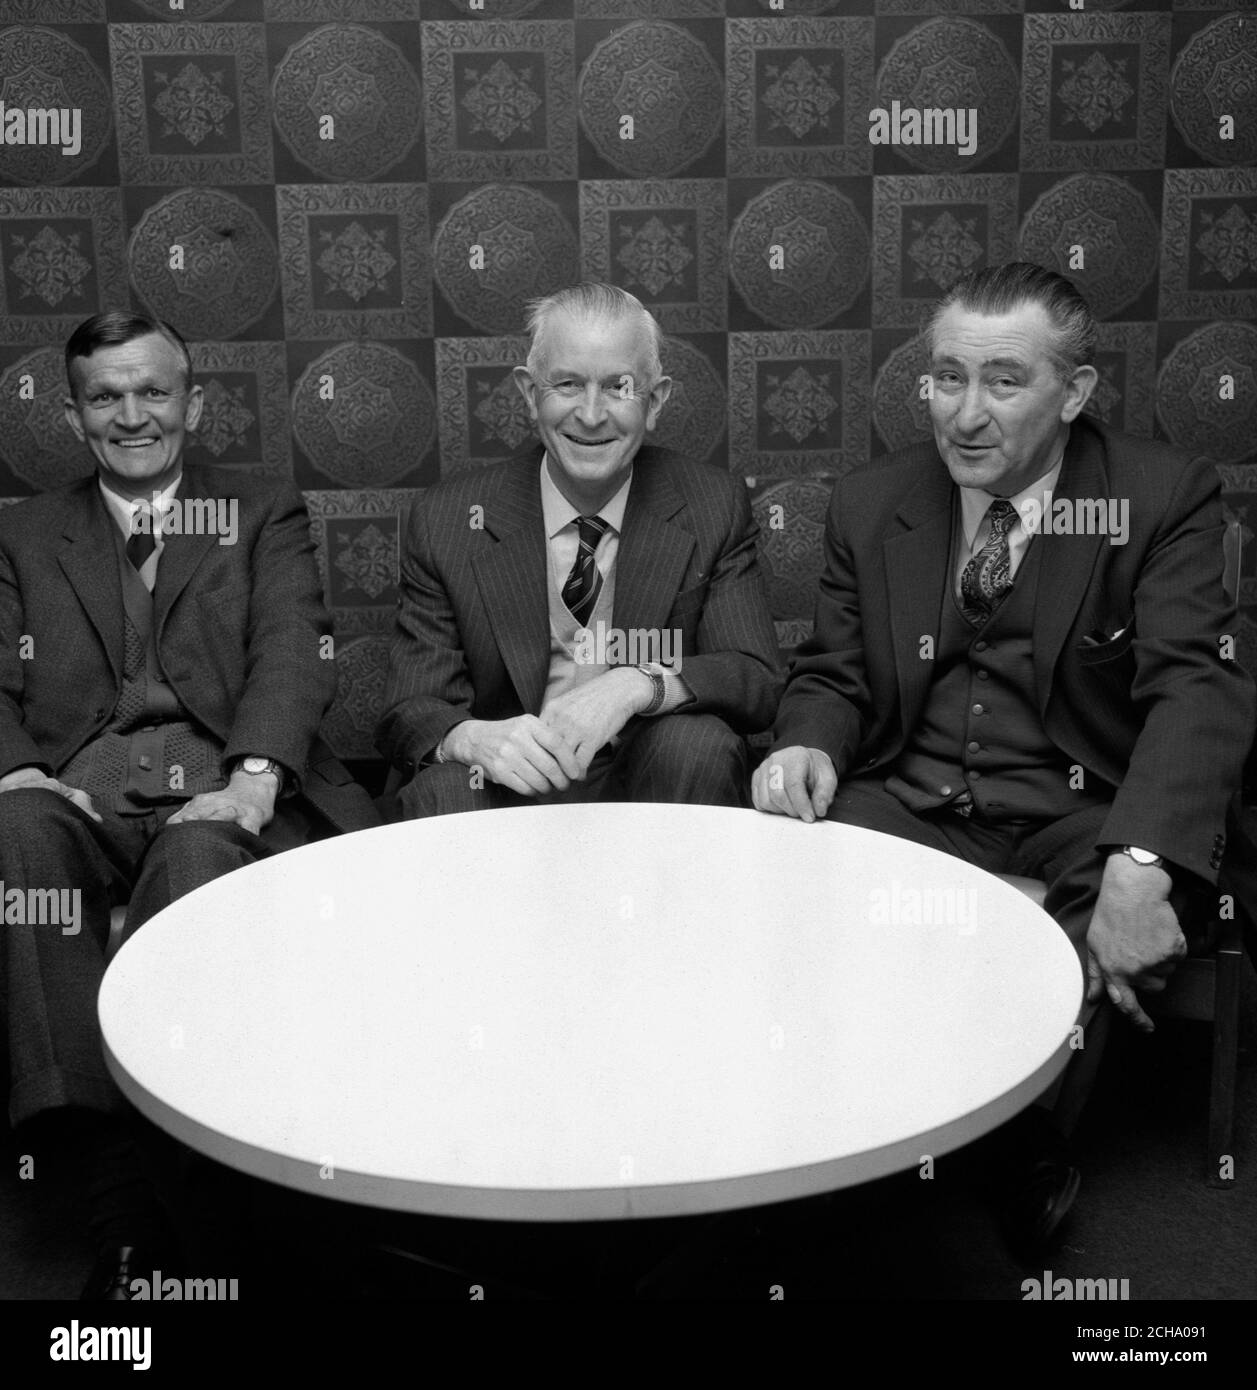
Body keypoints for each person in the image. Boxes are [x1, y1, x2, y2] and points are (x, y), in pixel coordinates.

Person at [752, 262, 1255, 1253]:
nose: (964, 414)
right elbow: (833, 674)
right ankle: (848, 1134)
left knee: (1117, 895)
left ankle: (1010, 1141)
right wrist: (805, 739)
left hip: (1085, 805)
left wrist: (1145, 861)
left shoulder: (1158, 497)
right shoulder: (873, 501)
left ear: (1074, 392)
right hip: (915, 796)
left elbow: (1199, 688)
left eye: (1004, 382)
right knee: (790, 871)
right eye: (946, 378)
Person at [0, 310, 377, 1298]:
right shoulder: (24, 530)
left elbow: (293, 651)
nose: (132, 414)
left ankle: (126, 1215)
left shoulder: (262, 515)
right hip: (73, 793)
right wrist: (11, 769)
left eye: (152, 391)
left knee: (202, 856)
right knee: (13, 829)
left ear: (192, 401)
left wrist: (251, 781)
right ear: (77, 414)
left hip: (214, 787)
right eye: (105, 396)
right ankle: (92, 1142)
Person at [380, 283, 782, 816]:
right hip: (509, 787)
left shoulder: (712, 506)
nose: (591, 415)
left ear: (655, 400)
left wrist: (637, 684)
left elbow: (755, 677)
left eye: (619, 387)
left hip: (647, 774)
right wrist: (472, 739)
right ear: (529, 394)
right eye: (567, 384)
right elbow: (410, 707)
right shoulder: (452, 519)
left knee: (697, 746)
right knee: (448, 785)